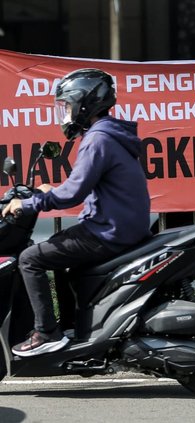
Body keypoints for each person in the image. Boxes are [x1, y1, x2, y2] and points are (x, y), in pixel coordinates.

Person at [1, 68, 151, 357]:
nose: (66, 114)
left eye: (68, 106)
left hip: (108, 232)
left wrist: (29, 203)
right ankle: (71, 327)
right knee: (59, 257)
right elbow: (80, 185)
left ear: (85, 103)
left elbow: (73, 193)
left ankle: (46, 333)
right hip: (117, 227)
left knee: (30, 258)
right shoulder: (107, 135)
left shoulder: (98, 139)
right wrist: (48, 190)